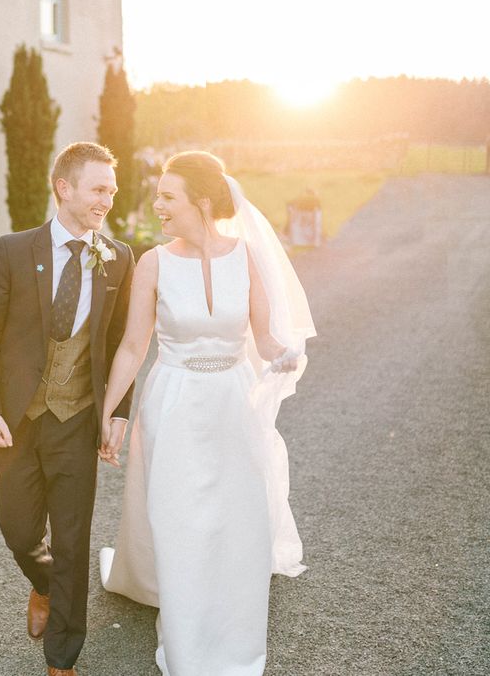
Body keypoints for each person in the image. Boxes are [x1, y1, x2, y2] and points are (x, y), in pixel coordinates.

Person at [98, 151, 316, 675]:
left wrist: (283, 353)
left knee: (234, 505)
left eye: (167, 197)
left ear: (200, 201)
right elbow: (132, 345)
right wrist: (108, 413)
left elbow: (263, 337)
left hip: (234, 399)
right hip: (173, 399)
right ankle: (183, 618)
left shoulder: (246, 257)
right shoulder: (152, 262)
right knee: (179, 510)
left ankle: (229, 594)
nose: (158, 206)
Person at [0, 142, 135, 676]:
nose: (107, 199)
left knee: (72, 538)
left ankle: (63, 658)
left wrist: (117, 413)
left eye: (112, 189)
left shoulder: (119, 257)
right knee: (18, 532)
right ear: (64, 188)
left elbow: (120, 344)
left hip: (78, 422)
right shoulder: (13, 250)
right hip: (17, 421)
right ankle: (44, 586)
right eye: (98, 188)